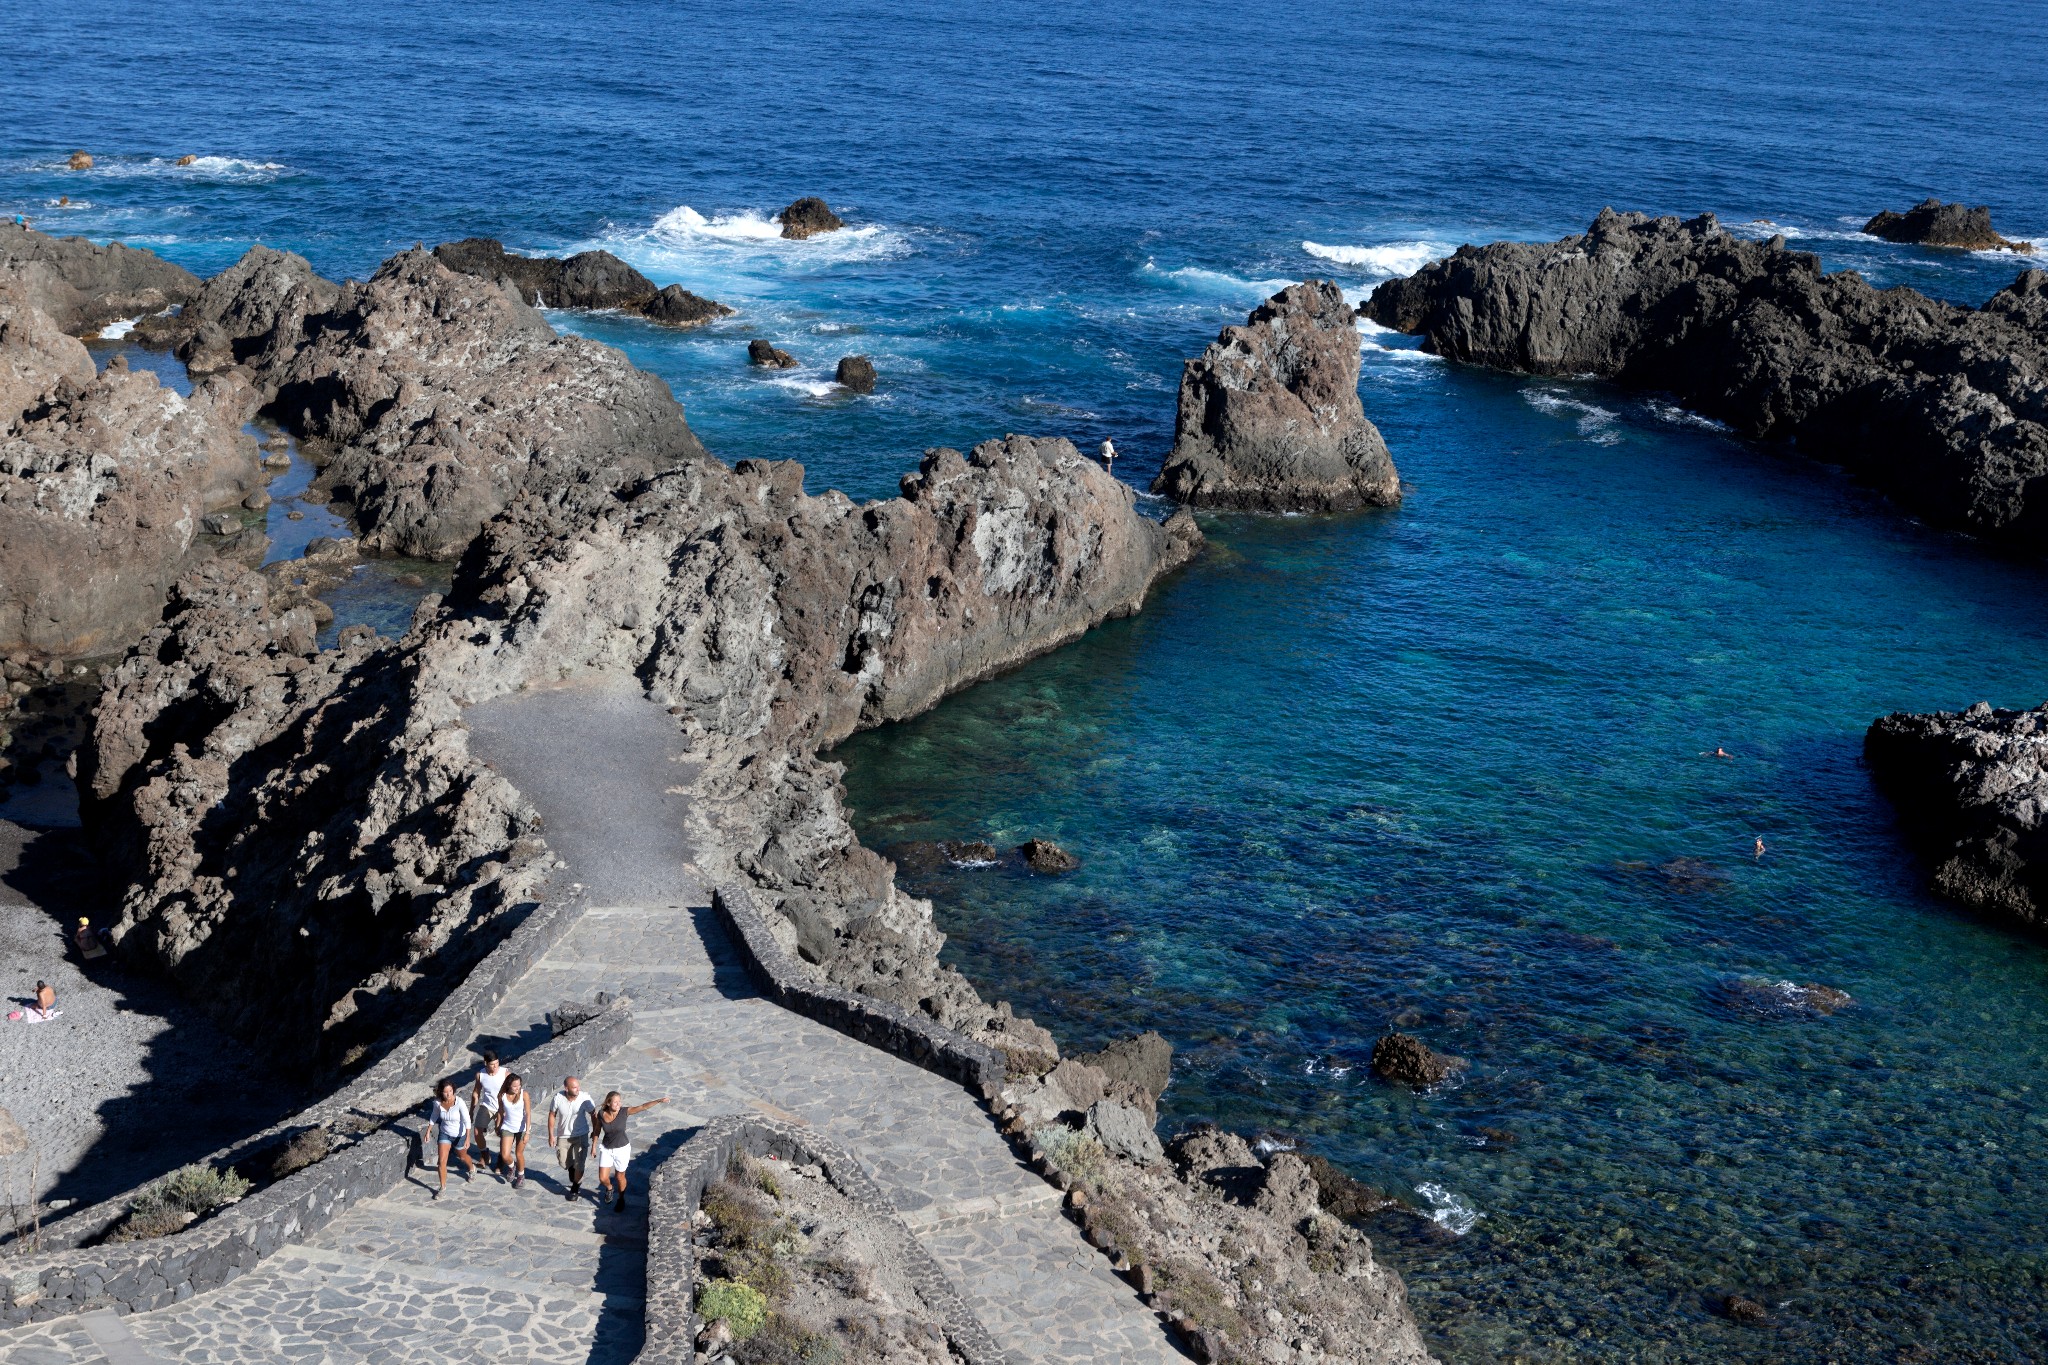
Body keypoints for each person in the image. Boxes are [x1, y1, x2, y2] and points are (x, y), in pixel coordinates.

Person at [594, 1090, 671, 1213]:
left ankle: (621, 1198)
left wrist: (658, 1100)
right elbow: (597, 1130)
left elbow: (642, 1107)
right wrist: (594, 1146)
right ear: (608, 1103)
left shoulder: (625, 1112)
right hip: (606, 1148)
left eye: (620, 1101)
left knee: (620, 1177)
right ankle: (609, 1188)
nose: (618, 1104)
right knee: (603, 1178)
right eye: (615, 1102)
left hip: (622, 1149)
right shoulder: (601, 1114)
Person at [547, 1075, 598, 1201]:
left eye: (578, 1087)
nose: (577, 1089)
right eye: (574, 1087)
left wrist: (594, 1131)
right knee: (563, 1162)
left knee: (580, 1164)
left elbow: (593, 1113)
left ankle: (575, 1189)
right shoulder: (558, 1098)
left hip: (581, 1135)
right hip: (563, 1136)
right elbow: (552, 1114)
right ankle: (572, 1169)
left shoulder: (584, 1098)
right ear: (566, 1088)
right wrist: (551, 1135)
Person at [425, 1079, 475, 1200]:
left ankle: (472, 1168)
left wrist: (468, 1138)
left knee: (462, 1156)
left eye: (450, 1091)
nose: (448, 1094)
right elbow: (434, 1116)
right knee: (441, 1162)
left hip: (459, 1134)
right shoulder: (437, 1103)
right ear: (441, 1092)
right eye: (445, 1092)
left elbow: (467, 1121)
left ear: (453, 1090)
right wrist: (428, 1131)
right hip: (445, 1133)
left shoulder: (459, 1102)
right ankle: (442, 1188)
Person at [470, 1050, 507, 1170]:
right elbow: (476, 1093)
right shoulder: (480, 1075)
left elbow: (512, 1092)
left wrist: (504, 1112)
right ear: (486, 1063)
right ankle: (485, 1154)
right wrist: (471, 1110)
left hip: (503, 1107)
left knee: (502, 1134)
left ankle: (501, 1160)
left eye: (497, 1063)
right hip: (487, 1106)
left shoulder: (504, 1073)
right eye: (492, 1064)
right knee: (477, 1131)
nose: (495, 1066)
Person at [495, 1073, 531, 1187]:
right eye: (515, 1086)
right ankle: (512, 1167)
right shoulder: (502, 1095)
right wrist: (498, 1125)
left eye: (519, 1085)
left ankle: (520, 1176)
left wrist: (527, 1132)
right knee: (505, 1154)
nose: (518, 1088)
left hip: (522, 1128)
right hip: (508, 1126)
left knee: (518, 1153)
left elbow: (528, 1113)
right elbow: (500, 1112)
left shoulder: (524, 1094)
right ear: (508, 1085)